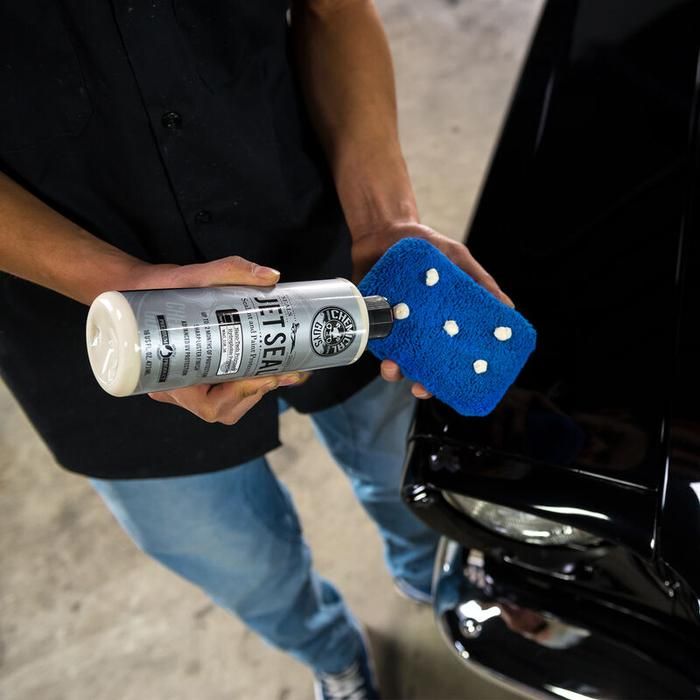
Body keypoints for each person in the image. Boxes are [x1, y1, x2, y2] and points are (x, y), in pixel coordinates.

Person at [0, 2, 511, 698]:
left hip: (312, 240)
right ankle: (327, 646)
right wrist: (111, 283)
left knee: (401, 464)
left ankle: (432, 573)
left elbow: (334, 10)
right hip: (92, 323)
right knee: (239, 560)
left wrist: (382, 219)